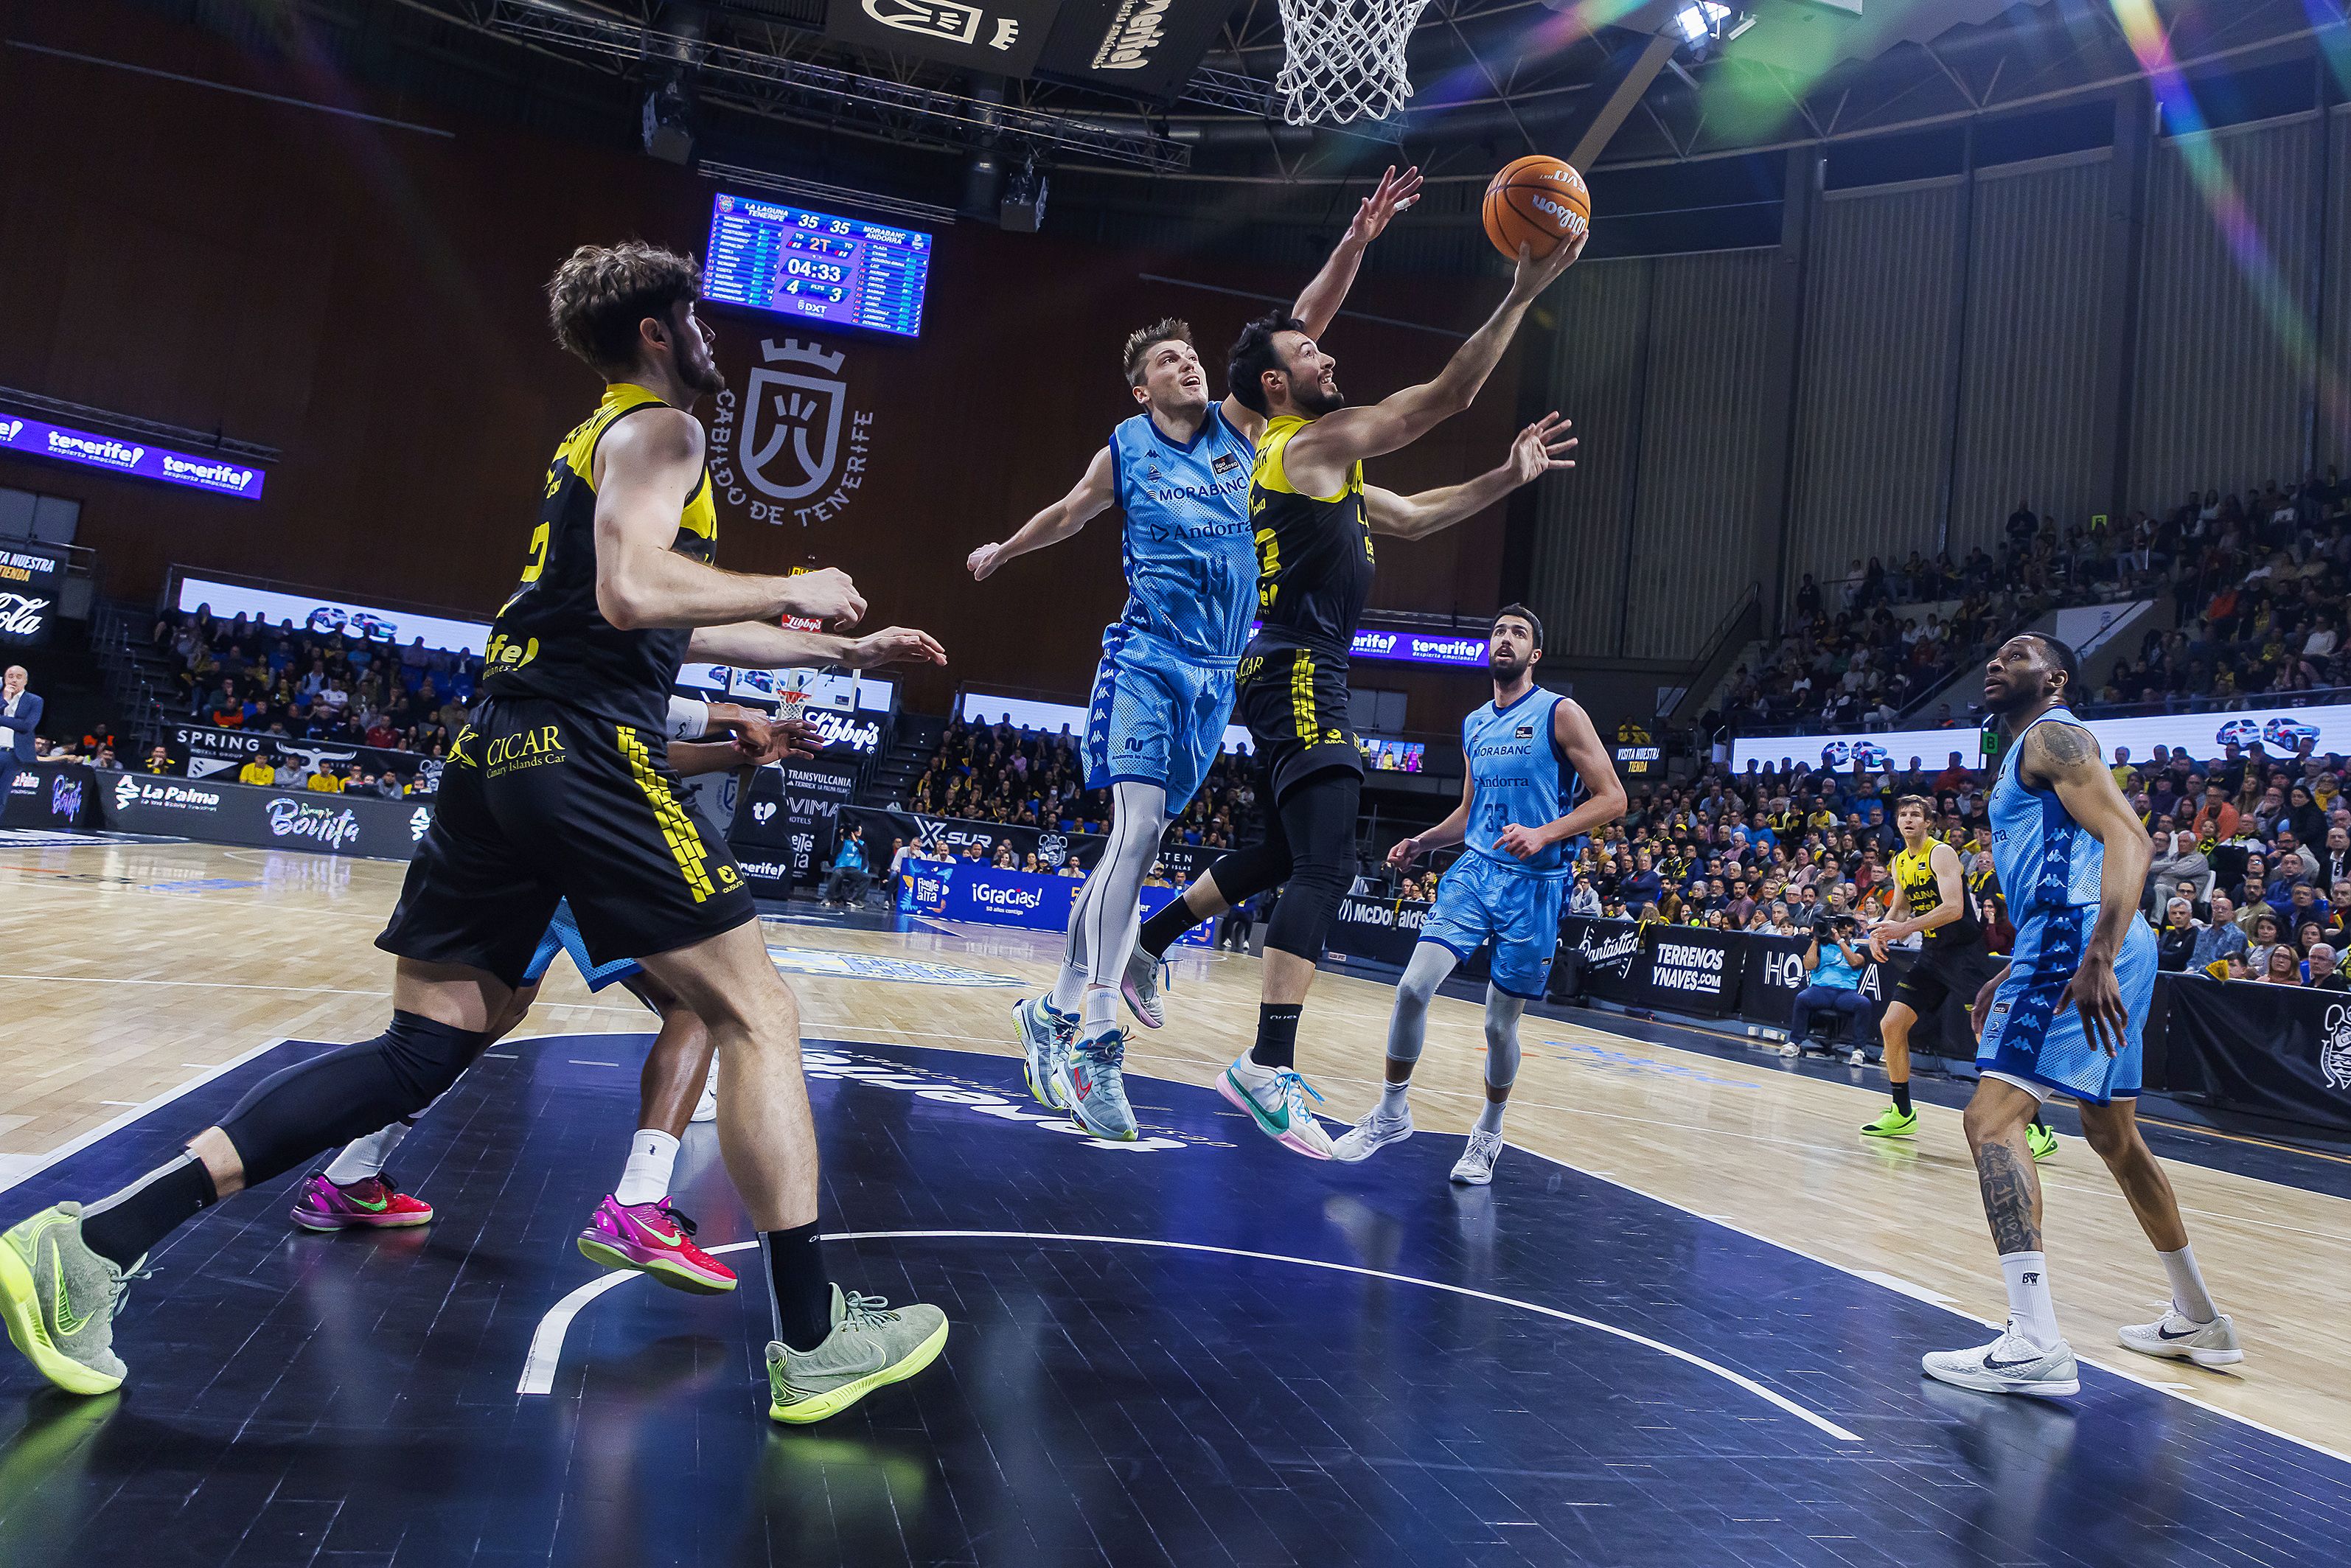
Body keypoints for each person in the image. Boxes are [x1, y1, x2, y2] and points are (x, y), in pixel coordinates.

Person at [0, 240, 954, 1425]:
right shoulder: (665, 430)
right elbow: (631, 595)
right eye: (697, 314)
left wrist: (838, 651)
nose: (715, 335)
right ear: (657, 330)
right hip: (580, 749)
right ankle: (814, 1338)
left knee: (425, 1047)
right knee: (753, 1008)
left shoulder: (598, 435)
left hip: (497, 751)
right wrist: (789, 582)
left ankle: (92, 1243)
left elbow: (656, 621)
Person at [974, 167, 1424, 1140]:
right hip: (1143, 656)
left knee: (1135, 850)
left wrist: (1355, 238)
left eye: (1192, 356)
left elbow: (1294, 330)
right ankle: (1095, 1039)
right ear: (1141, 386)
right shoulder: (1126, 447)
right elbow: (1066, 511)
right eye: (1169, 359)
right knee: (1132, 836)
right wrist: (1005, 547)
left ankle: (1049, 1009)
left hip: (1220, 677)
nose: (1188, 364)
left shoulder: (1243, 434)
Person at [1121, 231, 1587, 1157]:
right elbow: (1446, 396)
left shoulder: (1323, 462)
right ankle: (1266, 1062)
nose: (1329, 353)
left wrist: (1508, 474)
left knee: (1281, 849)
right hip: (1298, 666)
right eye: (1309, 353)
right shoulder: (1311, 442)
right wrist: (1522, 289)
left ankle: (1150, 940)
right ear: (1277, 388)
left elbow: (1414, 516)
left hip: (1285, 664)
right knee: (1327, 863)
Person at [293, 697, 806, 1300]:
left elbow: (627, 749)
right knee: (694, 1003)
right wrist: (732, 725)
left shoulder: (537, 667)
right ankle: (641, 1199)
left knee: (487, 1018)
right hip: (576, 857)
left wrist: (737, 747)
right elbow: (622, 755)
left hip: (513, 851)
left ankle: (350, 1172)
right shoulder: (609, 647)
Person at [1925, 633, 2239, 1398]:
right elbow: (2079, 856)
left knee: (1990, 1121)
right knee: (2112, 1132)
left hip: (2079, 936)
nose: (1997, 662)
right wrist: (2015, 967)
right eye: (1991, 654)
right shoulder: (2026, 752)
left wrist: (2092, 951)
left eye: (2018, 653)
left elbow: (2129, 838)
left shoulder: (2053, 734)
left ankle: (2033, 1340)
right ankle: (2199, 1316)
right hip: (2088, 936)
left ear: (2055, 677)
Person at [1329, 607, 1623, 1183]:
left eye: (1518, 633)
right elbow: (1468, 815)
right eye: (1498, 630)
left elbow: (1612, 798)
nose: (1505, 639)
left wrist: (1543, 833)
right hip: (1474, 872)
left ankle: (1488, 1132)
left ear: (1534, 654)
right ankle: (1391, 1112)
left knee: (1497, 1026)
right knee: (1413, 986)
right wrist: (1421, 840)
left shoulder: (1559, 713)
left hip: (1534, 887)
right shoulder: (1472, 724)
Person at [1864, 795, 2056, 1160]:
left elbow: (1953, 908)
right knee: (1892, 1024)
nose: (1908, 820)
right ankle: (1902, 1112)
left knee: (1987, 1035)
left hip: (1964, 955)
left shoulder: (1941, 854)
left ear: (1928, 822)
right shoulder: (1900, 861)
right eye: (1902, 814)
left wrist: (1905, 927)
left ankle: (2037, 1129)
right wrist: (1882, 931)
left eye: (1915, 815)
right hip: (1933, 955)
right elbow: (1901, 906)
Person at [1785, 916, 1873, 1058]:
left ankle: (1859, 1050)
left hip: (1845, 993)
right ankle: (1794, 1043)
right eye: (1841, 927)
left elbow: (1855, 963)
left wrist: (1840, 941)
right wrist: (1816, 939)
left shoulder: (1859, 950)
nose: (1844, 929)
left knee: (1864, 1004)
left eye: (1847, 927)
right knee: (1802, 998)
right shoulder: (1822, 947)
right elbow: (1808, 965)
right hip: (1820, 990)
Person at [822, 823, 869, 909]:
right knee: (837, 874)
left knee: (867, 877)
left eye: (860, 830)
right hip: (842, 868)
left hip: (854, 870)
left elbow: (864, 852)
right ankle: (827, 898)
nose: (859, 831)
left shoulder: (862, 844)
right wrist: (842, 837)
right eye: (857, 830)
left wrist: (856, 842)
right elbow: (835, 852)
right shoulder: (843, 842)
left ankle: (858, 901)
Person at [1, 665, 40, 762]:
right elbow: (20, 723)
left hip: (17, 755)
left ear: (26, 681)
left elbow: (26, 726)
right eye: (10, 676)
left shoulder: (35, 700)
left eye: (19, 677)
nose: (14, 680)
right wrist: (5, 700)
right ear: (4, 680)